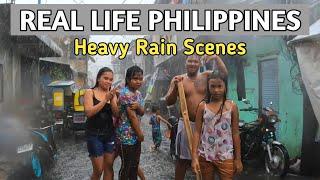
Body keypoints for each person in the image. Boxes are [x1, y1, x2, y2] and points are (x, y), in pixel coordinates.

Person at [165, 54, 228, 180]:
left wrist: (216, 58)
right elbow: (168, 101)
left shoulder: (206, 76)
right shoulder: (178, 79)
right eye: (190, 61)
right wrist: (176, 88)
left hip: (205, 126)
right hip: (186, 124)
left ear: (199, 64)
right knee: (182, 160)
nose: (192, 63)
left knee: (206, 159)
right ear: (185, 63)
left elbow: (224, 74)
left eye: (195, 61)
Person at [191, 70, 243, 180]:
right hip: (205, 155)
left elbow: (235, 133)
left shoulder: (232, 107)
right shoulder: (202, 106)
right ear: (208, 87)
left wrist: (238, 159)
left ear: (225, 86)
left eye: (219, 86)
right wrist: (194, 157)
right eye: (212, 86)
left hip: (226, 155)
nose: (216, 90)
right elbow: (196, 132)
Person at [83, 67, 119, 180]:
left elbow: (116, 114)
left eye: (111, 79)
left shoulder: (111, 94)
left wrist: (112, 98)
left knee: (109, 167)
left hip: (110, 134)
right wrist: (105, 100)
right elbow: (89, 113)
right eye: (106, 78)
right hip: (94, 135)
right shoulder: (90, 92)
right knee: (98, 170)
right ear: (99, 78)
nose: (108, 81)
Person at [116, 65, 145, 180]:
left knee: (134, 165)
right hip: (126, 137)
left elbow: (142, 112)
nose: (139, 81)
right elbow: (132, 116)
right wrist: (140, 134)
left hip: (135, 136)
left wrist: (138, 106)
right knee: (126, 166)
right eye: (135, 78)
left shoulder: (138, 94)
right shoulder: (125, 93)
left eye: (140, 79)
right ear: (128, 79)